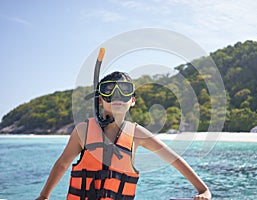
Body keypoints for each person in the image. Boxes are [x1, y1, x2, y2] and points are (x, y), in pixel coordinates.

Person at [36, 71, 211, 200]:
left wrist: (203, 190)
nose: (117, 96)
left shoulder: (137, 134)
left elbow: (174, 159)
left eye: (124, 91)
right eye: (109, 90)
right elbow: (62, 164)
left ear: (133, 101)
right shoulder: (84, 131)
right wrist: (43, 196)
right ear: (100, 99)